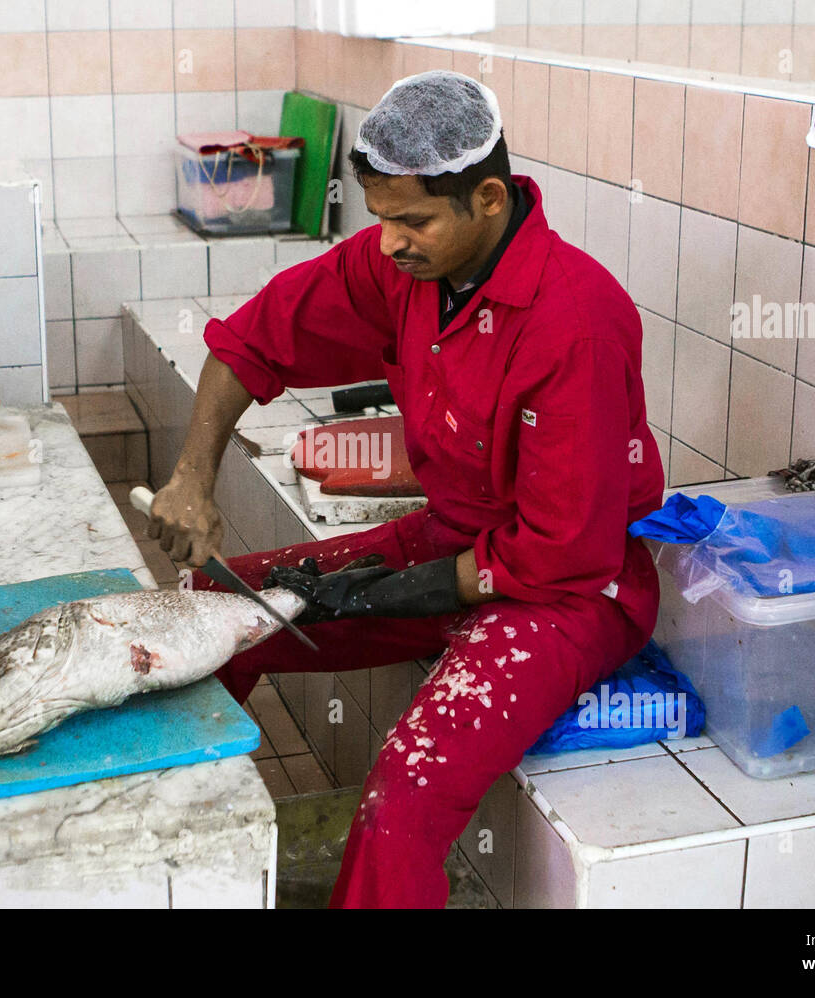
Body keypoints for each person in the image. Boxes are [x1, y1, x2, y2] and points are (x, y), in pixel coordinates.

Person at [146, 69, 664, 908]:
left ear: (488, 199)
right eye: (381, 217)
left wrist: (394, 591)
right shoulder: (401, 268)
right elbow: (252, 341)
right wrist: (192, 474)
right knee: (218, 610)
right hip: (455, 536)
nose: (388, 241)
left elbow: (566, 551)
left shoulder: (578, 322)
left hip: (573, 594)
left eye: (412, 219)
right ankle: (190, 864)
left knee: (402, 800)